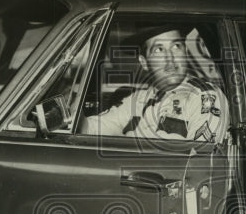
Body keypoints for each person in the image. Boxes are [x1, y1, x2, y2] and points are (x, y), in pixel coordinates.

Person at [81, 24, 228, 142]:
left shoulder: (205, 97)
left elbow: (201, 162)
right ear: (144, 63)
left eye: (176, 47)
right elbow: (90, 129)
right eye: (159, 50)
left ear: (186, 52)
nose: (170, 59)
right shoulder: (137, 100)